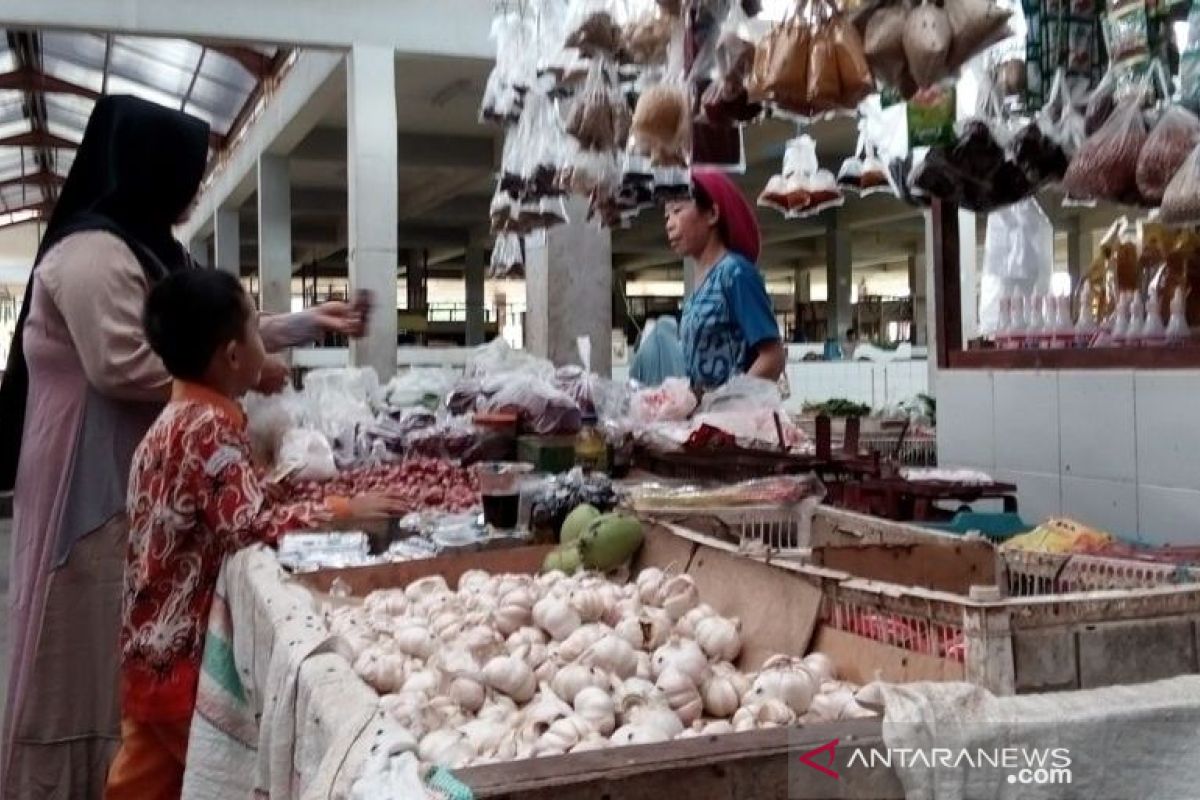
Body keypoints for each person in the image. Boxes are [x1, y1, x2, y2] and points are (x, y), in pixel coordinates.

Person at [0, 95, 365, 798]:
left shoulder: (153, 250)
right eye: (188, 173)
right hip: (87, 472)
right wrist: (339, 503)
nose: (195, 188)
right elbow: (123, 362)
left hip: (139, 498)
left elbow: (217, 325)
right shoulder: (93, 254)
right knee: (84, 647)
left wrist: (297, 328)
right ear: (155, 169)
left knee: (134, 710)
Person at [104, 270, 405, 800]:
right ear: (233, 356)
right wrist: (341, 508)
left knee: (142, 780)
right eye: (256, 331)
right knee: (215, 780)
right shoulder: (210, 429)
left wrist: (289, 487)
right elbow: (250, 523)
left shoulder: (172, 419)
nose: (265, 344)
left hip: (145, 651)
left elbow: (232, 502)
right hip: (184, 656)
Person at [666, 168, 785, 391]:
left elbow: (773, 357)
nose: (669, 224)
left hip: (736, 420)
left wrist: (729, 402)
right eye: (667, 216)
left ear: (712, 213)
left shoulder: (736, 274)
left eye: (677, 210)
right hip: (708, 418)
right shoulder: (701, 284)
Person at [629, 316, 687, 387]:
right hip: (675, 395)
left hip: (648, 396)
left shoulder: (644, 350)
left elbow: (633, 376)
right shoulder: (680, 352)